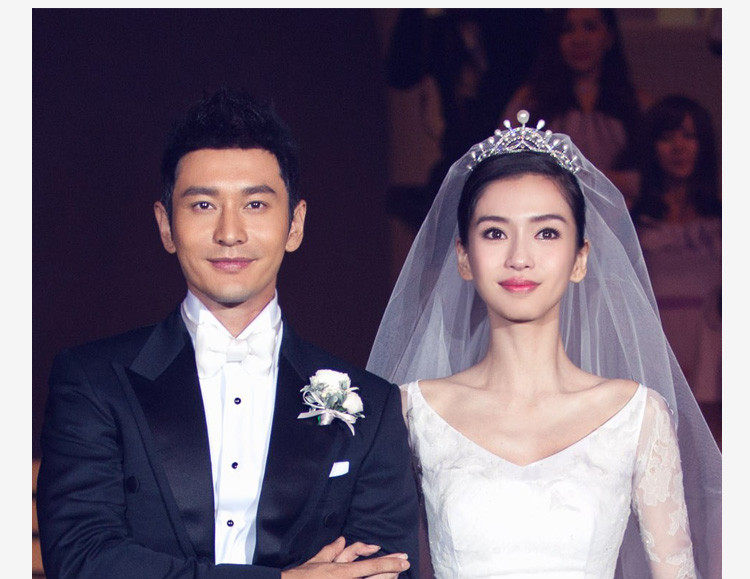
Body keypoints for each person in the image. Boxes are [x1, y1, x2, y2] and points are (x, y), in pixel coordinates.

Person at [37, 88, 419, 578]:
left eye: (255, 204)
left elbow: (385, 569)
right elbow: (83, 560)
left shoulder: (372, 405)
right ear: (166, 225)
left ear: (295, 224)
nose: (230, 232)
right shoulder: (93, 381)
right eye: (202, 205)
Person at [368, 112, 721, 577]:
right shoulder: (415, 410)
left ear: (580, 259)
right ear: (464, 258)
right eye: (495, 233)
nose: (520, 257)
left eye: (547, 233)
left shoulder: (636, 416)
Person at [631, 96, 721, 414]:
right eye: (667, 137)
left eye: (689, 136)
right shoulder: (634, 223)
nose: (679, 147)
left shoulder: (723, 221)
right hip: (654, 360)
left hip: (715, 362)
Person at [503, 9, 648, 205]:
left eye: (590, 27)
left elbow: (652, 180)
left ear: (609, 36)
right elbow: (506, 169)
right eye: (568, 29)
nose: (579, 39)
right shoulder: (529, 101)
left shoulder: (637, 104)